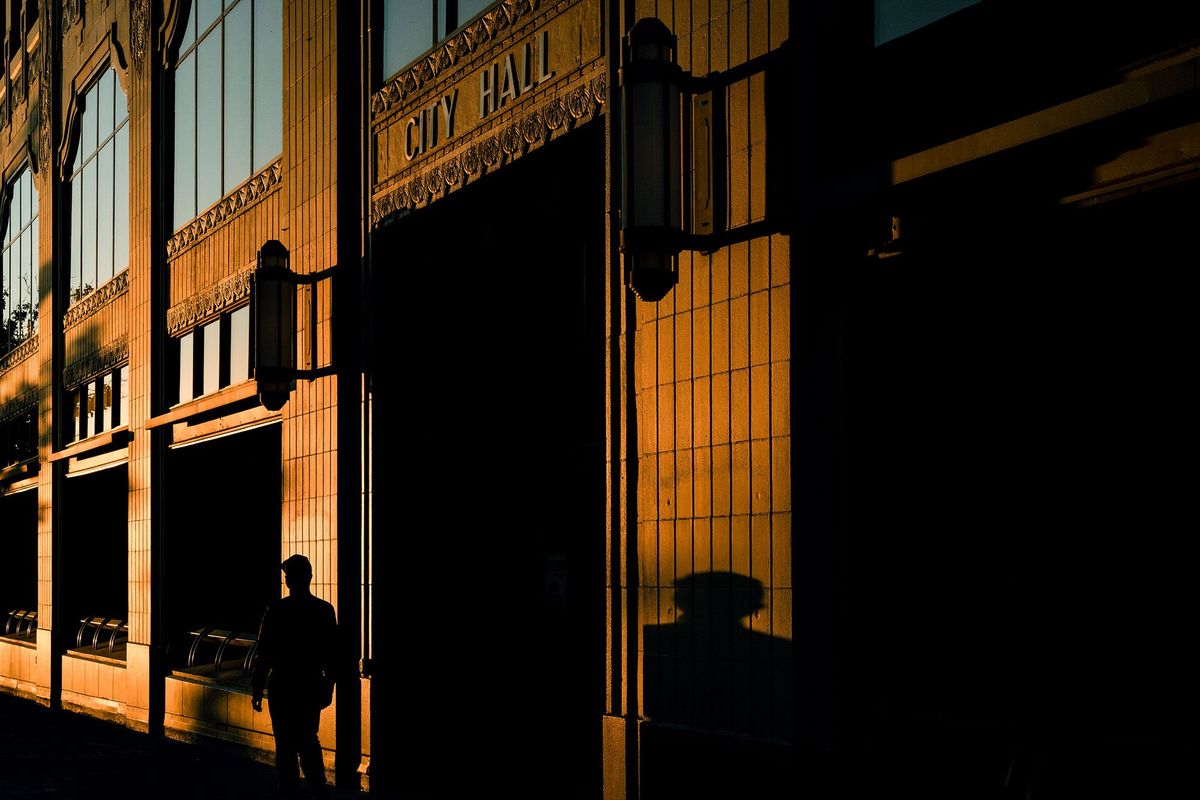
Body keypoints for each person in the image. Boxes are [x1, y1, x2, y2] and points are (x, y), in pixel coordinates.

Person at [251, 554, 338, 800]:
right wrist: (328, 686)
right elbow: (333, 653)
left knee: (285, 745)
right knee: (308, 739)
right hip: (309, 683)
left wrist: (257, 687)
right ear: (309, 577)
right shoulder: (323, 610)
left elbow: (264, 652)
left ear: (289, 581)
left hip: (282, 684)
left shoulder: (277, 610)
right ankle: (318, 790)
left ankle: (288, 793)